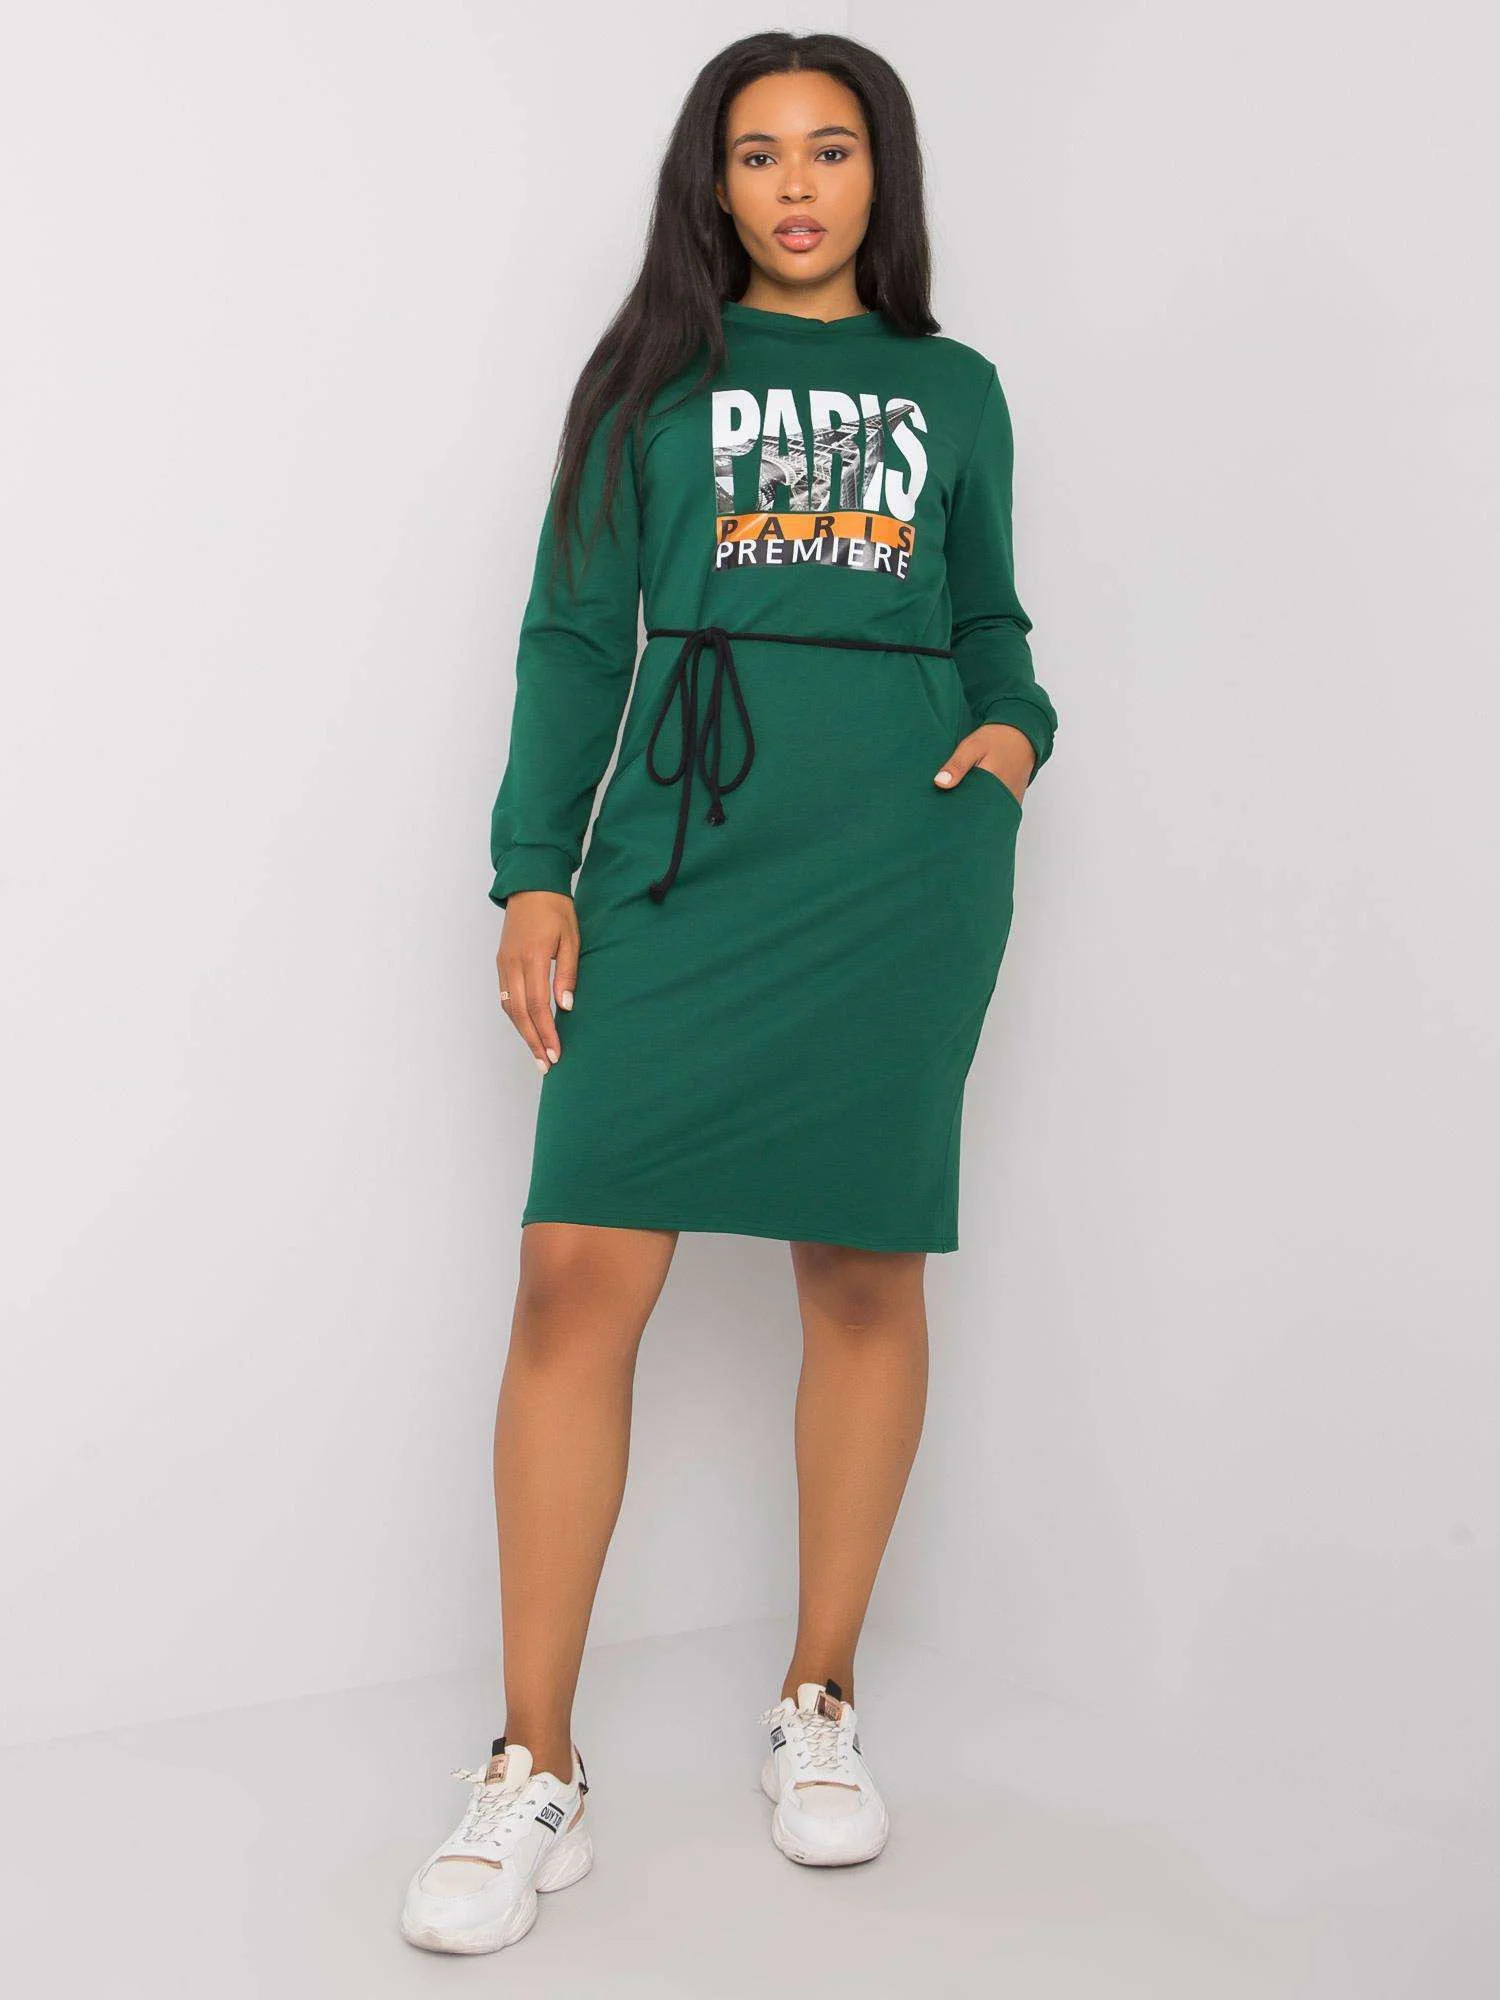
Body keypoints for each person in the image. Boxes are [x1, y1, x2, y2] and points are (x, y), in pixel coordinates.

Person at [401, 29, 1058, 1956]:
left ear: (882, 176)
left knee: (859, 1273)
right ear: (711, 183)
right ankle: (534, 1762)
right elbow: (572, 636)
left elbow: (993, 618)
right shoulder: (647, 386)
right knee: (572, 1279)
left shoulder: (955, 389)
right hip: (679, 870)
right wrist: (536, 867)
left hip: (896, 868)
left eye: (831, 150)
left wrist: (1013, 734)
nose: (795, 185)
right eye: (758, 153)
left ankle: (819, 1699)